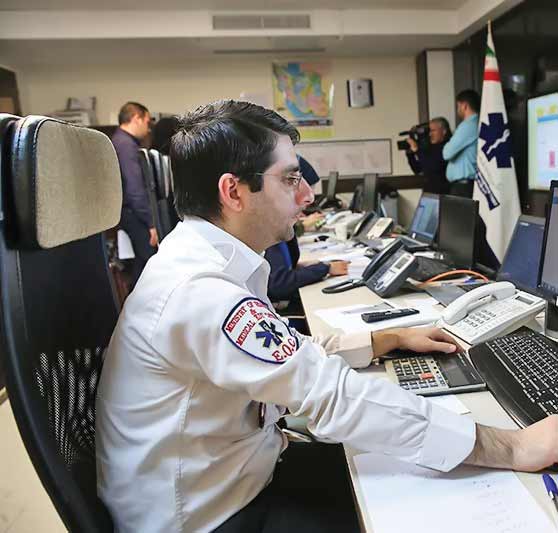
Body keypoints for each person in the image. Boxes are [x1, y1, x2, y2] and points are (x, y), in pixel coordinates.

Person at [96, 100, 558, 533]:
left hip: (229, 477)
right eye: (290, 179)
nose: (307, 194)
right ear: (233, 191)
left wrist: (385, 340)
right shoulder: (201, 292)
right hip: (212, 516)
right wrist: (513, 446)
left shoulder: (207, 260)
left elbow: (283, 352)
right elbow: (334, 397)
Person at [265, 155, 348, 312]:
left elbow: (277, 270)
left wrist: (306, 267)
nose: (309, 198)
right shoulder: (270, 227)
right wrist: (324, 269)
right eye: (297, 184)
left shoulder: (281, 225)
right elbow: (278, 284)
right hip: (282, 310)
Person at [111, 101, 158, 288]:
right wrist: (151, 222)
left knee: (141, 264)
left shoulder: (119, 141)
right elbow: (134, 189)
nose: (148, 128)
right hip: (134, 213)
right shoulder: (126, 145)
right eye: (147, 122)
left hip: (128, 212)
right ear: (136, 118)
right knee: (149, 263)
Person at [443, 89, 480, 198]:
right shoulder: (476, 123)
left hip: (464, 186)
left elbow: (447, 153)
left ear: (464, 106)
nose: (458, 109)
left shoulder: (468, 125)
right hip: (466, 185)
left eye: (458, 106)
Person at [406, 117, 451, 194]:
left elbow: (433, 166)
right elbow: (418, 169)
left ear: (444, 131)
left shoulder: (449, 147)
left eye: (433, 131)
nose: (430, 134)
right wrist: (410, 155)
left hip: (443, 192)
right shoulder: (430, 147)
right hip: (429, 192)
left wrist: (417, 150)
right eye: (430, 131)